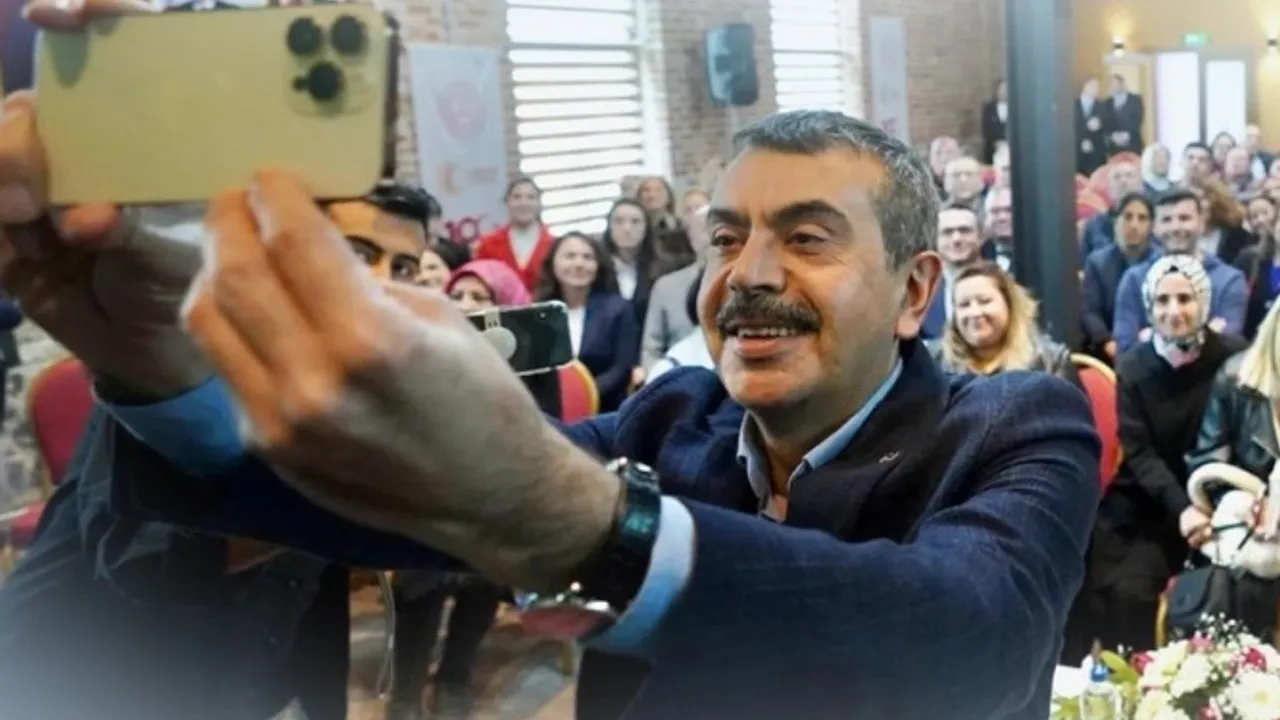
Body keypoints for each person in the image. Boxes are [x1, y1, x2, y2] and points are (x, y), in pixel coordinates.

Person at [0, 37, 1098, 717]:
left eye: (806, 238)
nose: (750, 276)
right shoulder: (673, 418)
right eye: (725, 239)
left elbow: (965, 639)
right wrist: (156, 359)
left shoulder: (1014, 423)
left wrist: (571, 520)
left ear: (914, 292)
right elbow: (381, 494)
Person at [1069, 256, 1245, 658]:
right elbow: (1140, 450)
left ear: (1204, 302)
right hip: (1150, 497)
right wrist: (1182, 508)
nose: (1174, 311)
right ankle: (1125, 679)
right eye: (1162, 301)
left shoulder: (1233, 359)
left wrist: (1205, 506)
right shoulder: (1134, 365)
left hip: (1217, 498)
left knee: (1158, 594)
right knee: (1108, 586)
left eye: (1185, 298)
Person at [1112, 189, 1248, 353]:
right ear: (1154, 227)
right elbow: (1126, 350)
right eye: (1166, 220)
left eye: (1184, 218)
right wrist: (1207, 333)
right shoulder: (1134, 279)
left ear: (1202, 222)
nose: (1175, 227)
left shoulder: (1230, 280)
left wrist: (1151, 337)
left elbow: (1228, 347)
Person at [533, 231, 637, 412]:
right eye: (570, 256)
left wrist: (583, 396)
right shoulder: (539, 313)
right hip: (552, 410)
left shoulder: (618, 309)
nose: (579, 264)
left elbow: (622, 368)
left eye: (588, 257)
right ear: (553, 263)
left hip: (606, 409)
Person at [925, 262, 1077, 384]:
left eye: (984, 301)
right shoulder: (932, 361)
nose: (975, 312)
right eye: (964, 305)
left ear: (1009, 304)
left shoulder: (1051, 362)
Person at [1081, 192, 1158, 361]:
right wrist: (1107, 342)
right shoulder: (1097, 262)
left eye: (1142, 218)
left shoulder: (1160, 261)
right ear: (1115, 222)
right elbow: (1090, 311)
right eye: (1128, 217)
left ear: (1152, 226)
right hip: (1108, 349)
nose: (1134, 225)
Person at [471, 177, 554, 292]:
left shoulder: (554, 246)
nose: (523, 203)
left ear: (539, 204)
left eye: (531, 197)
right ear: (507, 202)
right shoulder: (488, 245)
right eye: (517, 197)